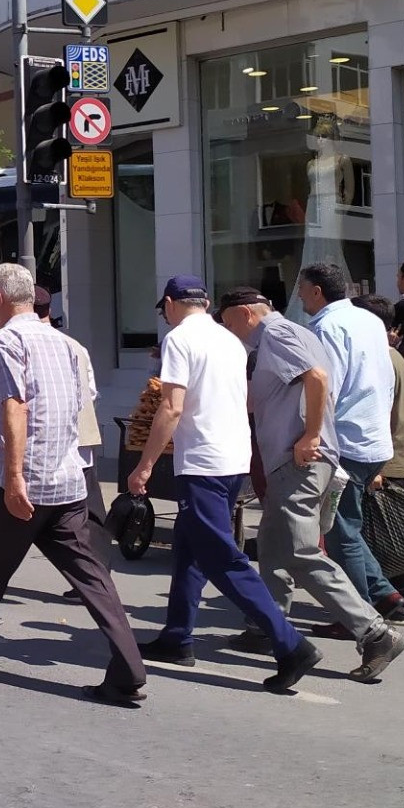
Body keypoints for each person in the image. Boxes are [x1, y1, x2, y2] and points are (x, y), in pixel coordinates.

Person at [0, 264, 148, 708]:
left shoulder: (8, 341)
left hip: (24, 483)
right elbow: (81, 405)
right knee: (92, 578)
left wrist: (14, 477)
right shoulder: (66, 344)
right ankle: (128, 668)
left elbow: (15, 407)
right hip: (67, 481)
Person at [132, 275, 318, 693]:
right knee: (189, 550)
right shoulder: (230, 340)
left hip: (203, 463)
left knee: (222, 559)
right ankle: (177, 636)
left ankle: (291, 645)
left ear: (170, 303)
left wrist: (144, 465)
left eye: (164, 310)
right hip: (233, 458)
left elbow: (171, 407)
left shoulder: (180, 339)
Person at [218, 288, 404, 682]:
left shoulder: (277, 334)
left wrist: (311, 435)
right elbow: (271, 395)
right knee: (273, 546)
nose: (228, 331)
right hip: (293, 459)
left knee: (301, 552)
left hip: (300, 459)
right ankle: (268, 626)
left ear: (245, 314)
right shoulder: (286, 334)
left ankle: (376, 633)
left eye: (228, 322)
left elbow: (318, 378)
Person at [298, 262, 404, 619]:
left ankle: (357, 613)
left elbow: (326, 388)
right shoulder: (368, 320)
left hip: (346, 440)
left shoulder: (326, 326)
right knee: (346, 525)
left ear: (317, 291)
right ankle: (385, 595)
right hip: (373, 436)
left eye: (302, 288)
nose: (298, 295)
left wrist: (311, 434)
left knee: (339, 530)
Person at [353, 294, 404, 623]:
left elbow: (382, 414)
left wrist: (378, 468)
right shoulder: (391, 354)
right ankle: (397, 601)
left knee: (387, 535)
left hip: (386, 460)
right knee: (386, 532)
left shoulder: (381, 357)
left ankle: (400, 603)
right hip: (393, 456)